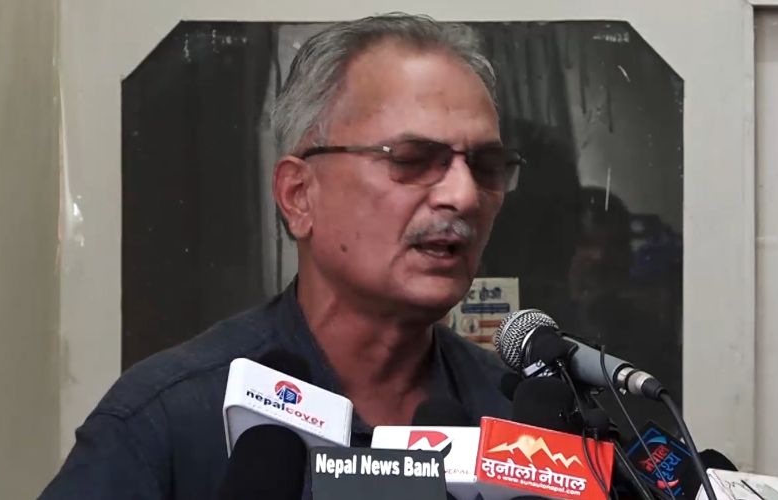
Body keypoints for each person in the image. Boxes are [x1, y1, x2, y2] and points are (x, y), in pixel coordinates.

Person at [41, 13, 521, 499]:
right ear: (298, 196)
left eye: (487, 166)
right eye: (412, 160)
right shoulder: (165, 421)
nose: (464, 196)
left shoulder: (518, 428)